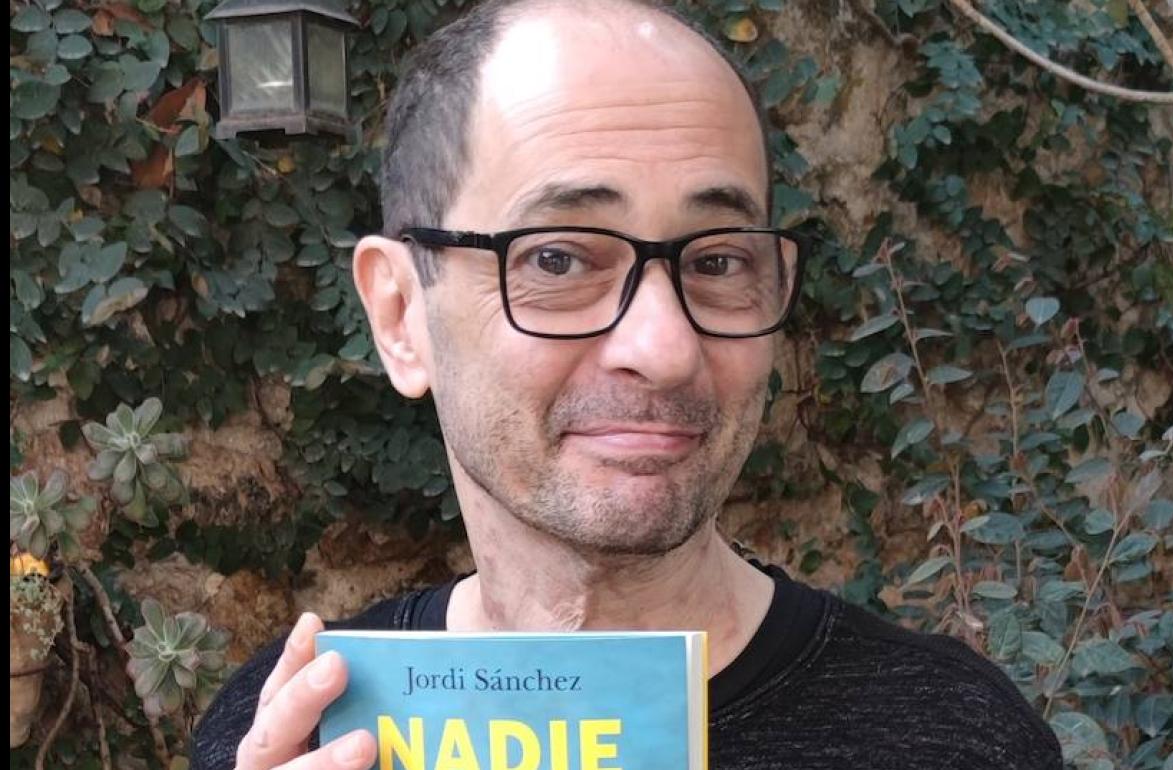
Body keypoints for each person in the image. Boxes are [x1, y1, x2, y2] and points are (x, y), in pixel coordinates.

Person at [191, 1, 1063, 768]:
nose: (665, 347)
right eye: (558, 259)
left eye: (717, 261)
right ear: (399, 315)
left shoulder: (954, 738)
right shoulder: (295, 729)